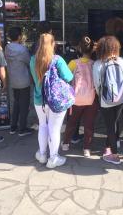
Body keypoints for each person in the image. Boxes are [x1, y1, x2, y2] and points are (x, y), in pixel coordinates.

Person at [30, 33, 73, 169]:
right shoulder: (57, 60)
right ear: (53, 44)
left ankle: (42, 155)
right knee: (54, 129)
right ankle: (53, 158)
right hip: (55, 100)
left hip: (39, 99)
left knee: (43, 126)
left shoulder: (33, 60)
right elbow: (69, 76)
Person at [93, 36, 123, 165]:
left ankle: (114, 155)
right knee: (113, 123)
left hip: (105, 99)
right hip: (121, 98)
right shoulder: (121, 61)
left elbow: (97, 85)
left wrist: (101, 95)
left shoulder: (98, 64)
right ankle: (109, 147)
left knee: (110, 126)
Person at [62, 36, 99, 158]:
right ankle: (86, 149)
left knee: (71, 123)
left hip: (75, 99)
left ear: (79, 49)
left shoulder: (73, 63)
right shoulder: (94, 64)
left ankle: (66, 144)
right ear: (92, 50)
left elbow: (64, 78)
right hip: (91, 99)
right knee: (89, 125)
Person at [5, 27, 32, 136]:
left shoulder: (7, 48)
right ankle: (22, 129)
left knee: (16, 103)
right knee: (24, 105)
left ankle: (13, 127)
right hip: (24, 80)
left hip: (13, 80)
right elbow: (29, 62)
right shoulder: (22, 49)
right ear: (20, 36)